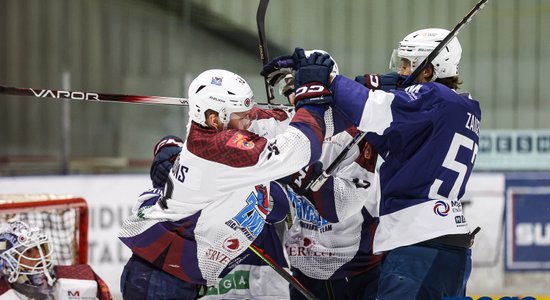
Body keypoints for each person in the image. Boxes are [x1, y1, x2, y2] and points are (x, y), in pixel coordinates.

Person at [119, 56, 343, 299]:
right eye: (242, 116)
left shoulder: (215, 126)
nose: (250, 121)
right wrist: (312, 93)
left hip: (171, 277)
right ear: (215, 119)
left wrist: (325, 93)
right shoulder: (220, 148)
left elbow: (281, 122)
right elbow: (303, 148)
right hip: (158, 281)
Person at [316, 28, 479, 299]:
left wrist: (328, 79)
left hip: (418, 243)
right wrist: (359, 90)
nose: (401, 70)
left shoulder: (434, 98)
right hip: (448, 243)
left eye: (407, 64)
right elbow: (389, 138)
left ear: (427, 70)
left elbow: (371, 111)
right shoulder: (462, 108)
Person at [0, 221, 111, 300]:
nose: (39, 255)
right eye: (28, 252)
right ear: (8, 261)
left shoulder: (81, 279)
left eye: (41, 248)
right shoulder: (4, 294)